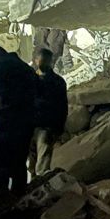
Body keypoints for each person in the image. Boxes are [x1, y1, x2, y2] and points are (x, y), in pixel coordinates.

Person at [0, 45, 37, 196]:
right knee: (19, 160)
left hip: (8, 120)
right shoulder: (27, 69)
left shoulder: (0, 68)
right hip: (28, 121)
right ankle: (19, 195)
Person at [29, 47, 68, 180]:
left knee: (42, 165)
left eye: (47, 61)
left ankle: (40, 186)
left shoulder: (57, 82)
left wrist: (59, 127)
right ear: (35, 61)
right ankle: (31, 187)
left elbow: (63, 106)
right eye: (42, 61)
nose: (45, 63)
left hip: (46, 127)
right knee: (31, 163)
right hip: (29, 126)